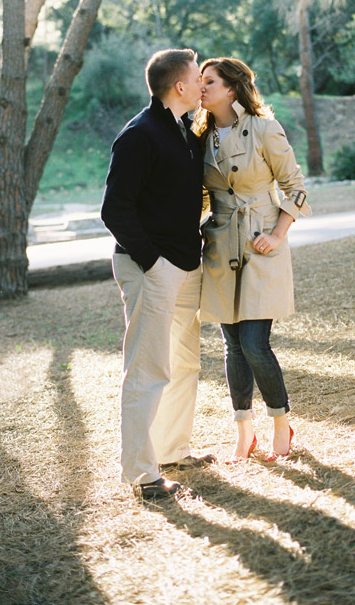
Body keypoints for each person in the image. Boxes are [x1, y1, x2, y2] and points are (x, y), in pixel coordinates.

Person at [101, 48, 215, 499]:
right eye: (197, 78)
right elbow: (114, 210)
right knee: (147, 369)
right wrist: (153, 263)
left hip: (187, 266)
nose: (203, 85)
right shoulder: (140, 135)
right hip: (152, 268)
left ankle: (171, 449)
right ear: (179, 87)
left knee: (183, 364)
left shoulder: (186, 130)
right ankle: (143, 474)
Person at [193, 57, 311, 461]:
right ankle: (244, 432)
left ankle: (281, 423)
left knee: (255, 343)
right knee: (232, 347)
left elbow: (295, 186)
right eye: (199, 81)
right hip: (221, 244)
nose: (200, 87)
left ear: (231, 88)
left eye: (209, 81)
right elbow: (202, 195)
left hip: (261, 243)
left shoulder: (263, 127)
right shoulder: (199, 135)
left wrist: (277, 235)